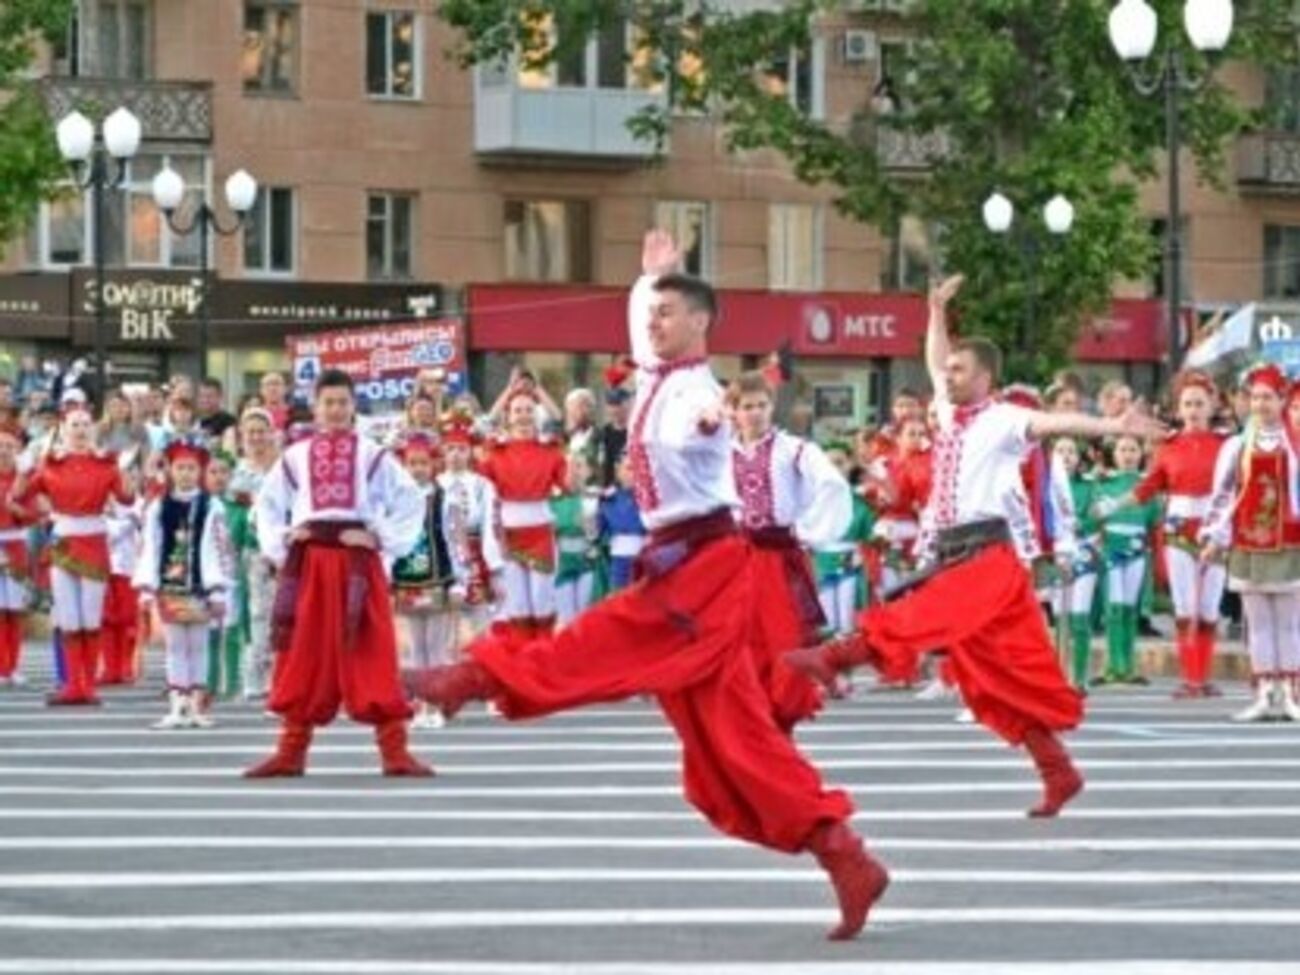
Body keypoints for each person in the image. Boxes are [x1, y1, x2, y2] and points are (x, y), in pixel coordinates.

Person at [407, 230, 887, 943]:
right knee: (730, 742)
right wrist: (649, 278)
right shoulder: (656, 372)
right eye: (651, 314)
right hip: (686, 558)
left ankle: (473, 678)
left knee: (599, 643)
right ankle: (843, 852)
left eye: (669, 312)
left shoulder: (694, 388)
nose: (654, 321)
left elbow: (704, 423)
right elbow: (646, 329)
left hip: (702, 564)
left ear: (700, 323)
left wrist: (712, 419)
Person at [786, 273, 1166, 818]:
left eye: (961, 370)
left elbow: (1054, 421)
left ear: (985, 376)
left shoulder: (1005, 419)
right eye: (951, 369)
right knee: (992, 678)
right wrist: (936, 311)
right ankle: (1059, 771)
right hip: (952, 555)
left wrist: (1108, 424)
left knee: (917, 617)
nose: (948, 375)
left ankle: (833, 658)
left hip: (987, 558)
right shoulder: (946, 412)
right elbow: (934, 355)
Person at [244, 368, 432, 777]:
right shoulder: (294, 456)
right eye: (328, 402)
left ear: (353, 407)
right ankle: (290, 751)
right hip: (311, 561)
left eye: (343, 403)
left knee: (372, 649)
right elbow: (267, 506)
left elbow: (411, 500)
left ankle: (395, 751)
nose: (335, 410)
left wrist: (379, 537)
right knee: (303, 651)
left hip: (357, 563)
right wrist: (285, 538)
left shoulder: (373, 454)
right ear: (315, 406)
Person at [1094, 371, 1228, 697]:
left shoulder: (1227, 446)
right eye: (1187, 404)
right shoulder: (1168, 447)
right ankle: (1190, 679)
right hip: (1179, 531)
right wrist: (1114, 505)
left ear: (1211, 406)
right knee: (1184, 608)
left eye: (1199, 403)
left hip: (1214, 531)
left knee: (1209, 608)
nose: (1193, 409)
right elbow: (1148, 486)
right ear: (1179, 409)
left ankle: (1203, 677)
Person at [730, 370, 851, 728]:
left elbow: (832, 484)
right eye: (747, 406)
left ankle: (782, 717)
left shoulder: (793, 449)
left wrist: (806, 529)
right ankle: (752, 715)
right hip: (736, 558)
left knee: (785, 636)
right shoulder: (721, 452)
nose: (755, 413)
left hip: (778, 557)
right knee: (743, 639)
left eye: (762, 405)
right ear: (734, 411)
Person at [16, 401, 135, 706]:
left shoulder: (106, 464)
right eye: (74, 424)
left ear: (93, 429)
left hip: (94, 541)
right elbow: (17, 498)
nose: (81, 430)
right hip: (62, 543)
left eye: (85, 424)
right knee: (68, 618)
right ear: (63, 429)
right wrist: (23, 471)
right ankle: (73, 685)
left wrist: (128, 472)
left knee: (90, 617)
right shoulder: (49, 464)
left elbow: (126, 498)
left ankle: (88, 686)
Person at [1201, 363, 1300, 722]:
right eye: (1255, 397)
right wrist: (1214, 537)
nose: (1260, 404)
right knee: (1256, 623)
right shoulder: (1236, 445)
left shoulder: (1295, 444)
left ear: (1282, 400)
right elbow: (1224, 495)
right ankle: (1263, 693)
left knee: (1289, 623)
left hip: (1289, 543)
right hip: (1248, 543)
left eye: (1268, 398)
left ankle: (1290, 693)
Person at [135, 439, 230, 730]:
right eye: (180, 468)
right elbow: (150, 544)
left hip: (202, 585)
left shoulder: (211, 506)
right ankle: (177, 704)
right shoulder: (158, 507)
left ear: (199, 471)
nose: (186, 474)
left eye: (192, 468)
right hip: (170, 585)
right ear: (171, 470)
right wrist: (148, 585)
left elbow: (220, 547)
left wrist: (219, 587)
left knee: (199, 646)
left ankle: (197, 705)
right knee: (175, 646)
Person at [478, 389, 567, 640]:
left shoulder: (550, 450)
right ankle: (521, 662)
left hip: (539, 529)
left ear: (537, 415)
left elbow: (569, 485)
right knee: (516, 600)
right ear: (508, 416)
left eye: (529, 410)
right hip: (508, 531)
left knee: (542, 598)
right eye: (517, 410)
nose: (524, 416)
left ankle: (543, 658)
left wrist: (577, 471)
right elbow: (480, 488)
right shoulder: (495, 452)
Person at [391, 433, 461, 731]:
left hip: (437, 578)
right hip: (407, 580)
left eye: (422, 463)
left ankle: (436, 704)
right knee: (415, 648)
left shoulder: (446, 499)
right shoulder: (396, 500)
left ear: (433, 465)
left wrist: (459, 580)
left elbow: (455, 539)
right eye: (411, 463)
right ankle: (420, 705)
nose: (417, 469)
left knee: (436, 646)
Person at [1092, 435, 1160, 686]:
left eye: (1133, 449)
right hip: (1111, 549)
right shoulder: (1102, 484)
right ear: (1114, 454)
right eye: (1123, 449)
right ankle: (1113, 666)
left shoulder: (1148, 485)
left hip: (1137, 551)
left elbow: (1154, 519)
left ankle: (1128, 667)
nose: (1128, 454)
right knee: (1114, 608)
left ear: (1141, 454)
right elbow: (1094, 516)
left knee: (1131, 608)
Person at [437, 408, 503, 636]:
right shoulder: (436, 484)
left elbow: (490, 527)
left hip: (475, 555)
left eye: (461, 449)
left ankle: (484, 665)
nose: (456, 454)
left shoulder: (482, 485)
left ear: (470, 452)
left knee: (481, 623)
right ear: (443, 452)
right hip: (442, 557)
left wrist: (494, 569)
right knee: (445, 624)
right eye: (451, 449)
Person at [229, 408, 280, 700]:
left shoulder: (284, 468)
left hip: (281, 552)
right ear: (242, 436)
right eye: (251, 432)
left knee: (282, 613)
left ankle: (279, 674)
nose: (257, 437)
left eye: (262, 431)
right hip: (251, 551)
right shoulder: (236, 471)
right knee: (255, 613)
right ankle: (253, 675)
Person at [813, 441, 875, 637]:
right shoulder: (810, 501)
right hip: (820, 564)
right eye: (828, 464)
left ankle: (846, 648)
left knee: (848, 617)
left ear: (849, 465)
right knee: (827, 619)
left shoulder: (860, 503)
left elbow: (871, 533)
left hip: (850, 563)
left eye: (839, 463)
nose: (833, 469)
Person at [1054, 438, 1101, 691]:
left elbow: (1096, 518)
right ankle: (1057, 677)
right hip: (1055, 555)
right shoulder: (1045, 485)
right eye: (1060, 450)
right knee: (1059, 619)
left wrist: (1077, 525)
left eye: (1071, 451)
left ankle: (1079, 678)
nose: (1066, 455)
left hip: (1083, 552)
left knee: (1079, 616)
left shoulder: (1090, 486)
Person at [0, 421, 32, 688]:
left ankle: (14, 667)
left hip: (17, 546)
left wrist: (20, 512)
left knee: (14, 610)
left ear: (18, 449)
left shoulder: (25, 480)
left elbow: (37, 514)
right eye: (0, 446)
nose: (4, 451)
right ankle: (2, 667)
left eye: (9, 446)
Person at [550, 453, 599, 627]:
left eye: (579, 466)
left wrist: (590, 526)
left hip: (588, 564)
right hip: (562, 566)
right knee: (567, 620)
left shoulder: (597, 497)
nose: (573, 471)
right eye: (568, 467)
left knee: (585, 618)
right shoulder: (552, 500)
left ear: (589, 471)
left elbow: (602, 534)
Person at [595, 452, 645, 593]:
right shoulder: (607, 498)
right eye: (629, 468)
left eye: (637, 469)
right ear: (618, 471)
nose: (633, 474)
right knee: (618, 602)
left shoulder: (649, 497)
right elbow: (596, 533)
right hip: (618, 562)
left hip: (644, 560)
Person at [196, 379, 238, 443]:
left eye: (209, 396)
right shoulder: (193, 421)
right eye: (201, 396)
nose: (205, 400)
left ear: (220, 397)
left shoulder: (229, 422)